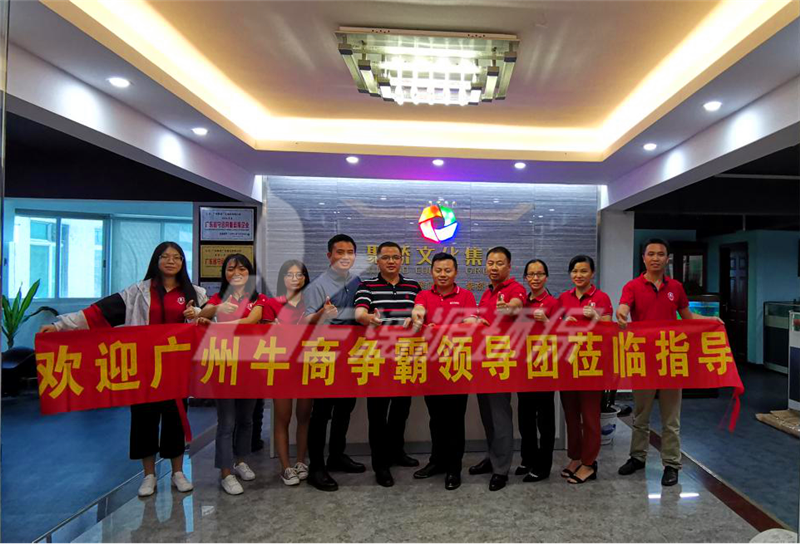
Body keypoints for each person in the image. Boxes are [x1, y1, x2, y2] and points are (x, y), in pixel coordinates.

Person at [39, 242, 206, 498]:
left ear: (183, 263)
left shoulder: (195, 293)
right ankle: (148, 475)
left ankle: (178, 472)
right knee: (144, 420)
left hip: (177, 370)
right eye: (165, 256)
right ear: (156, 260)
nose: (171, 261)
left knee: (175, 419)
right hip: (144, 368)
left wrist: (198, 315)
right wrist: (60, 326)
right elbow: (97, 314)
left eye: (177, 257)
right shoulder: (137, 292)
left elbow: (212, 323)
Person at [616, 238, 720, 487]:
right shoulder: (632, 286)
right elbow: (623, 307)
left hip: (671, 360)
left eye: (660, 254)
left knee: (671, 419)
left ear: (667, 259)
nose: (655, 258)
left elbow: (687, 316)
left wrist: (711, 321)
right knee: (641, 415)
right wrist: (621, 314)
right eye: (651, 254)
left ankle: (671, 464)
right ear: (643, 258)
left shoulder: (676, 287)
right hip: (643, 360)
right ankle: (637, 457)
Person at [195, 253, 266, 495]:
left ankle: (240, 461)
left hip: (251, 367)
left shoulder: (259, 299)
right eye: (231, 269)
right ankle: (225, 473)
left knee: (246, 420)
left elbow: (251, 321)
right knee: (226, 422)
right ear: (224, 273)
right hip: (224, 368)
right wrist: (216, 309)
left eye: (242, 269)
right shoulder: (217, 298)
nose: (236, 273)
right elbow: (199, 316)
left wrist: (216, 326)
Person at [354, 241, 421, 487]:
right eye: (386, 257)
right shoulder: (367, 286)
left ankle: (396, 452)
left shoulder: (413, 286)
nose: (391, 261)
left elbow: (420, 313)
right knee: (378, 415)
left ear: (402, 260)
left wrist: (418, 320)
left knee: (401, 411)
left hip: (405, 358)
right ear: (378, 261)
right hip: (378, 359)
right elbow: (359, 313)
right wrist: (367, 318)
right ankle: (380, 464)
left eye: (395, 257)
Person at [302, 234, 365, 491]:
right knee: (321, 413)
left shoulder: (356, 281)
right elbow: (305, 322)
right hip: (325, 355)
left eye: (350, 252)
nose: (345, 257)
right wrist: (321, 313)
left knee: (345, 408)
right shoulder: (317, 285)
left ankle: (337, 455)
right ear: (329, 256)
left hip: (350, 355)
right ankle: (316, 468)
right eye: (340, 252)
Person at [410, 252, 478, 491]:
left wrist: (437, 327)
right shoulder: (424, 295)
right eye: (438, 270)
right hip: (431, 367)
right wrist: (417, 319)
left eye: (447, 270)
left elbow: (470, 326)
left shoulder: (466, 295)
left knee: (455, 420)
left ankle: (454, 468)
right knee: (436, 419)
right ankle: (437, 461)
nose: (442, 275)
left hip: (458, 367)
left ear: (455, 272)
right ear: (431, 272)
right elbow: (418, 312)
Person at [470, 246, 527, 492]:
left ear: (509, 266)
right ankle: (492, 457)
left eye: (499, 263)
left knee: (500, 416)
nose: (494, 268)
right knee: (487, 415)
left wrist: (508, 308)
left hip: (502, 362)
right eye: (491, 263)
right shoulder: (487, 293)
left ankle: (501, 469)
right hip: (483, 361)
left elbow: (515, 306)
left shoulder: (515, 288)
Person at [558, 254, 612, 485]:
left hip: (592, 366)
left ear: (592, 273)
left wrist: (597, 317)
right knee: (571, 416)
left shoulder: (601, 297)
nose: (578, 275)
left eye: (583, 271)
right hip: (568, 365)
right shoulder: (564, 297)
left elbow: (610, 329)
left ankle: (589, 463)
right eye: (574, 271)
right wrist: (563, 324)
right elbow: (554, 327)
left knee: (590, 417)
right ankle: (575, 457)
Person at [261, 259, 313, 486]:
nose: (295, 279)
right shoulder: (272, 303)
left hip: (306, 365)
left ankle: (301, 461)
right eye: (289, 274)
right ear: (282, 279)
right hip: (281, 367)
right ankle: (285, 466)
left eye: (299, 274)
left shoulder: (312, 303)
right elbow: (262, 335)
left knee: (304, 416)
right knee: (283, 417)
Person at [517, 259, 561, 483]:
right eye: (531, 274)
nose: (535, 278)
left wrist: (547, 321)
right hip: (523, 368)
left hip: (545, 367)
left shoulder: (553, 303)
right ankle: (528, 459)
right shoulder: (521, 302)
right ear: (525, 278)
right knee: (524, 418)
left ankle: (543, 465)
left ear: (546, 277)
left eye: (540, 274)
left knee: (545, 421)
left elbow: (563, 334)